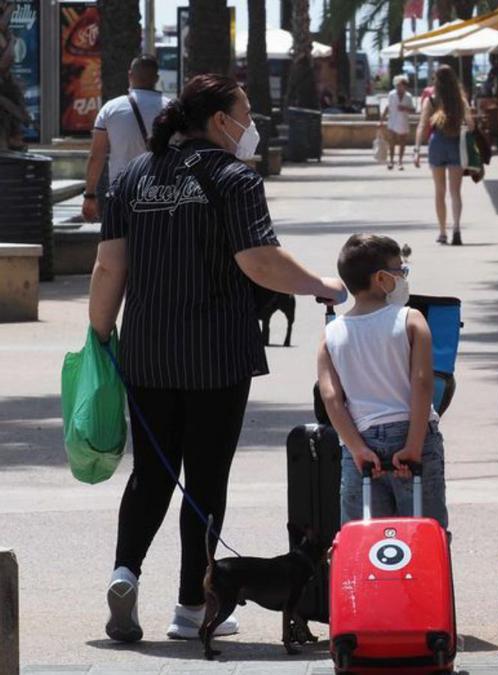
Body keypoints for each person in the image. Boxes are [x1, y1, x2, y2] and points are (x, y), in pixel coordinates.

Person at [87, 73, 346, 644]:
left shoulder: (131, 179)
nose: (250, 123)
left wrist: (99, 338)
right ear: (218, 120)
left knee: (151, 476)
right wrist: (320, 285)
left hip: (148, 352)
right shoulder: (233, 179)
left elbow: (109, 267)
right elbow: (259, 261)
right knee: (204, 482)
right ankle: (188, 609)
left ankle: (124, 573)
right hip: (216, 355)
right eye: (245, 112)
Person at [317, 234, 448, 528]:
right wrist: (414, 444)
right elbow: (423, 383)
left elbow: (331, 398)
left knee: (368, 539)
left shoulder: (331, 334)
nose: (403, 277)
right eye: (400, 271)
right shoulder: (411, 320)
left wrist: (356, 448)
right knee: (424, 532)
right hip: (414, 435)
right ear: (381, 278)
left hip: (361, 441)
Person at [83, 54, 168, 222]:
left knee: (117, 245)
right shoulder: (171, 108)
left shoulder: (111, 109)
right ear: (156, 78)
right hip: (161, 195)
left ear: (130, 75)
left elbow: (96, 156)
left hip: (122, 192)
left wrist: (90, 195)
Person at [414, 65, 474, 246]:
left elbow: (422, 125)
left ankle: (442, 232)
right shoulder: (460, 100)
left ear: (436, 80)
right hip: (456, 144)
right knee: (455, 192)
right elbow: (471, 126)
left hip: (437, 144)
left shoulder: (431, 100)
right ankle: (456, 228)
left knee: (439, 191)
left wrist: (417, 150)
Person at [379, 75, 416, 170]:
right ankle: (391, 160)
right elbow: (387, 107)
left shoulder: (408, 96)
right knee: (391, 142)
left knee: (402, 142)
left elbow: (413, 110)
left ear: (405, 86)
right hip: (392, 121)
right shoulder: (391, 94)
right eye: (397, 85)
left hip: (403, 121)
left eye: (400, 85)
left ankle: (400, 161)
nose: (398, 87)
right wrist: (381, 120)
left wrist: (405, 108)